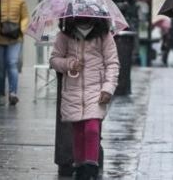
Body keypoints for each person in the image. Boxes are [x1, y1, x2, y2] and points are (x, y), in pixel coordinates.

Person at [49, 16, 120, 180]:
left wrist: (108, 88)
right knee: (78, 131)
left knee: (92, 129)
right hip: (73, 90)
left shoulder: (104, 35)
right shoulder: (65, 35)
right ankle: (80, 168)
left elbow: (112, 63)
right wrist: (70, 64)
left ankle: (90, 169)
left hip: (96, 89)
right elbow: (54, 60)